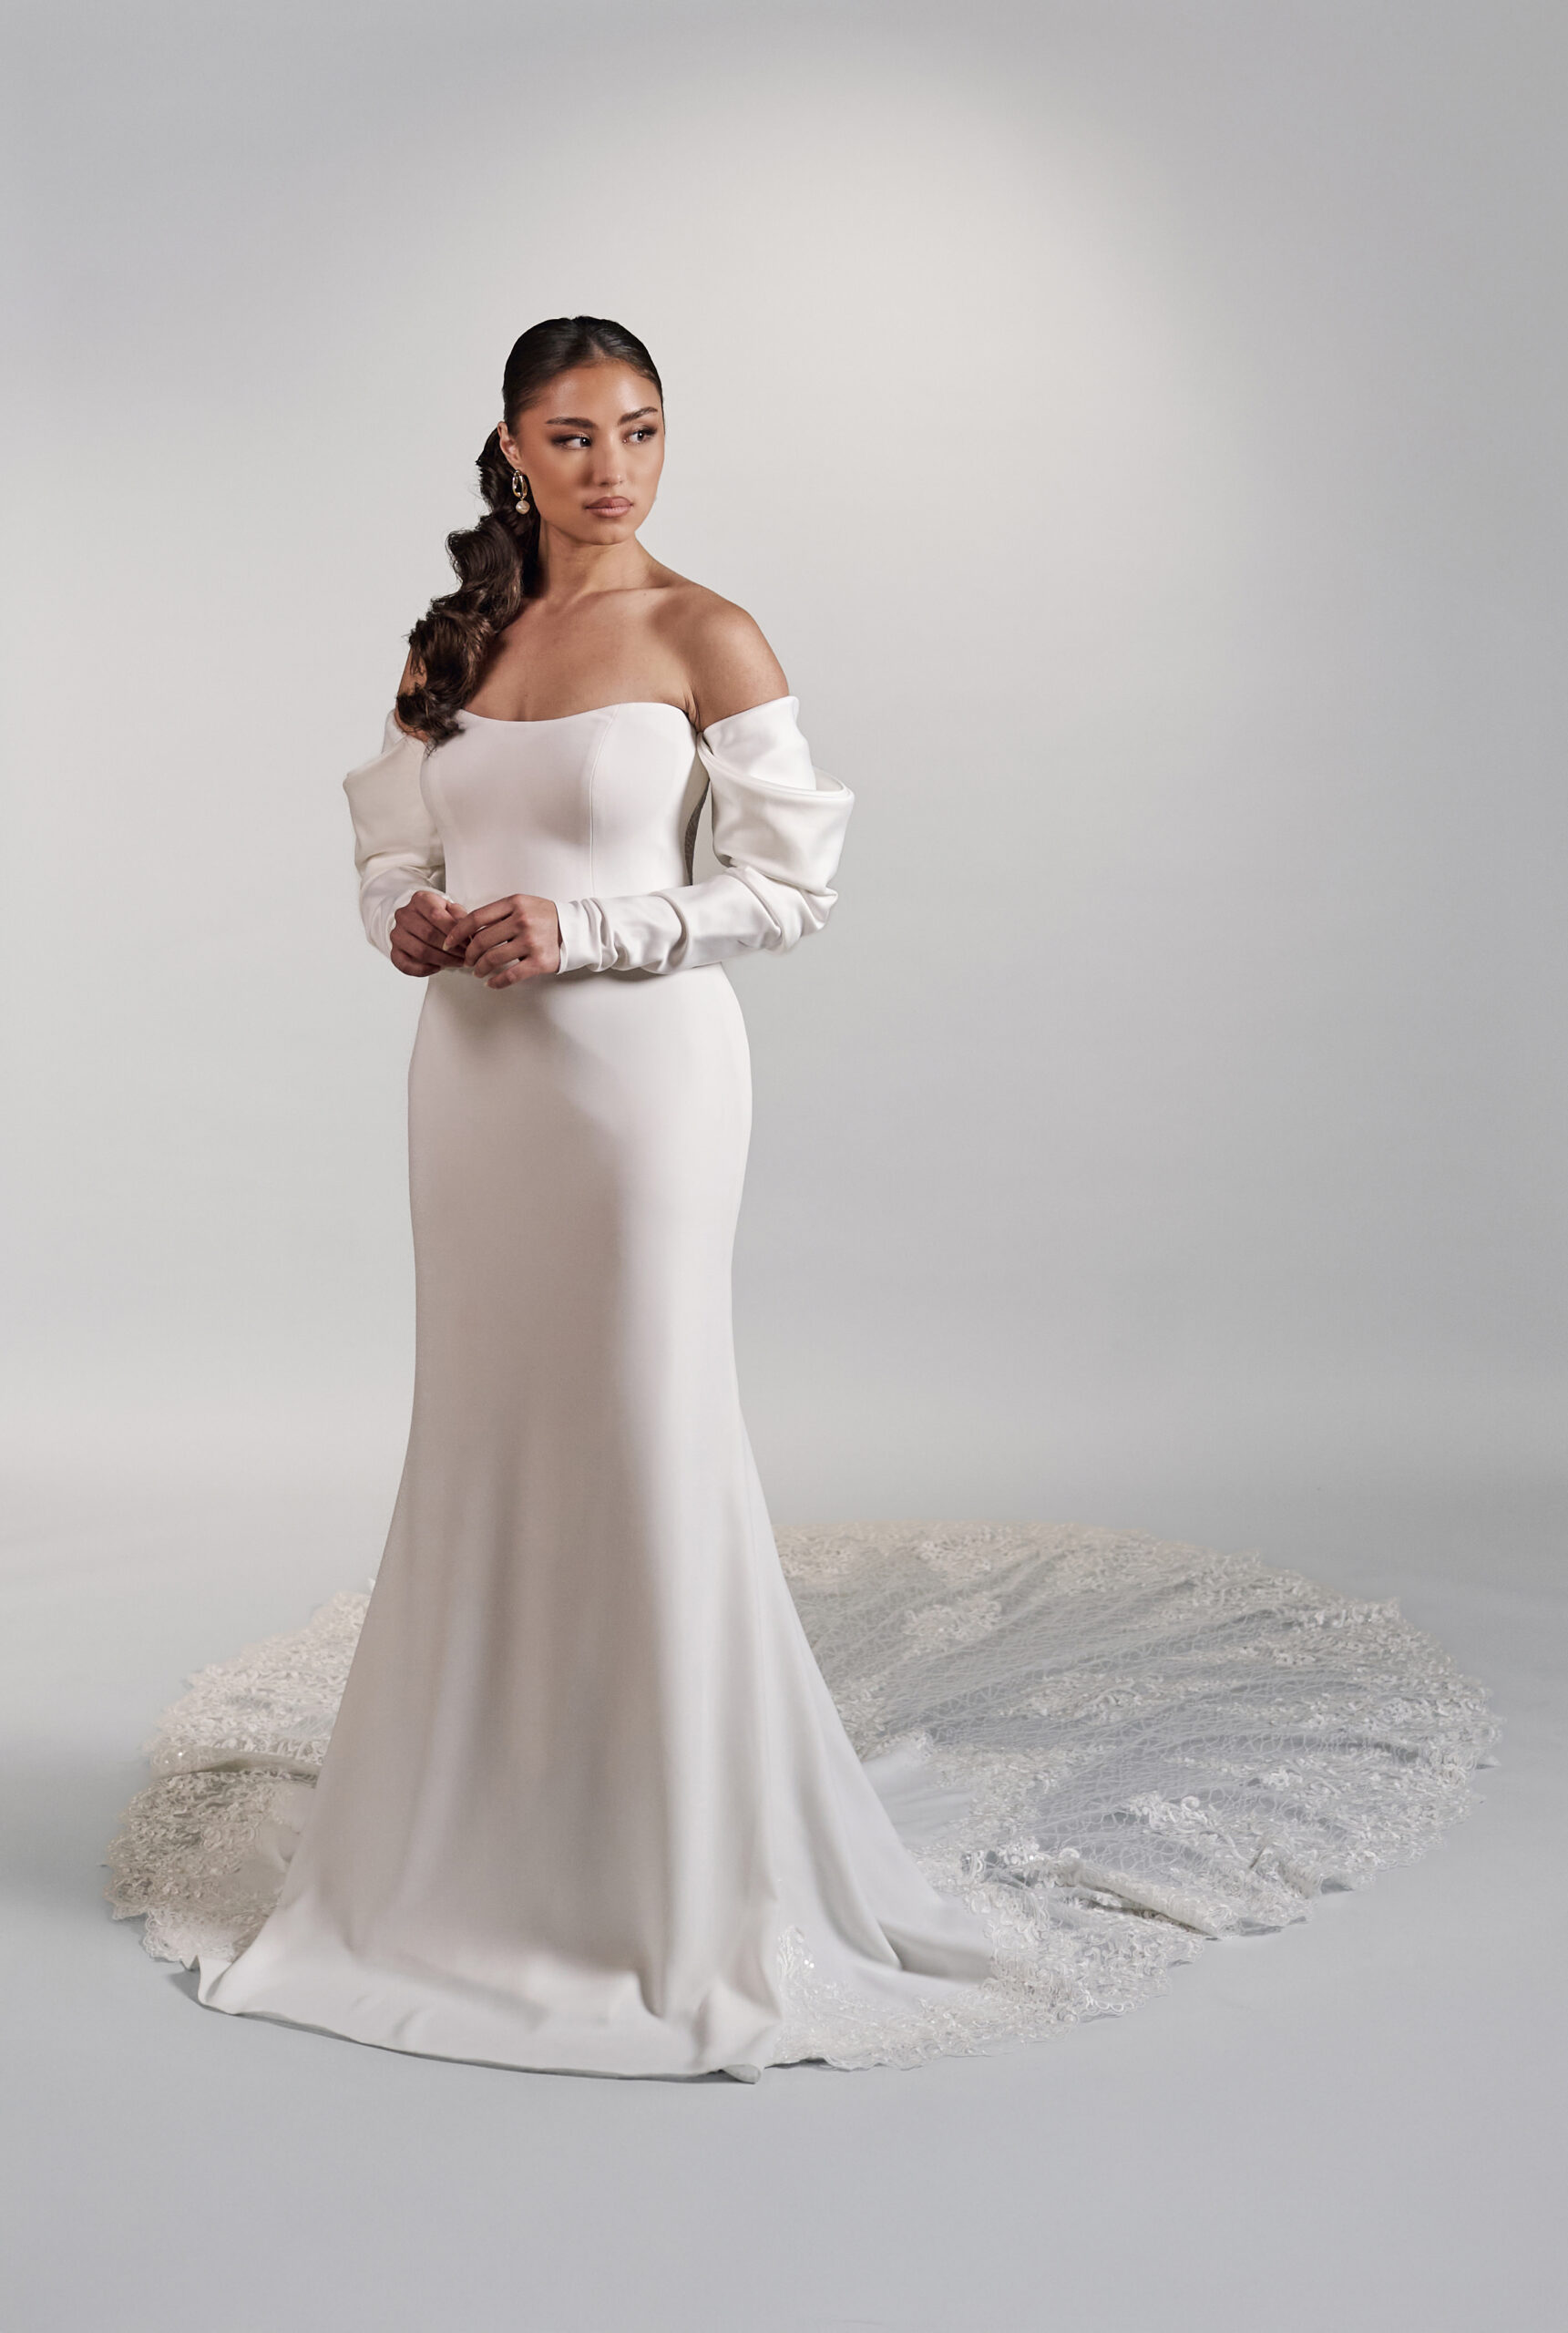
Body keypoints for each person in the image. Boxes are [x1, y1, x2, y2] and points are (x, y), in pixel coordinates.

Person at [194, 315, 997, 2079]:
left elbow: (787, 889)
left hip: (642, 1085)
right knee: (486, 1426)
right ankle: (478, 1833)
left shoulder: (707, 632)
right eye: (571, 436)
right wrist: (406, 917)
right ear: (510, 448)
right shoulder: (453, 639)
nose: (611, 467)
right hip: (474, 1087)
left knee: (642, 1422)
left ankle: (665, 1860)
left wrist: (585, 926)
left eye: (638, 430)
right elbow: (394, 847)